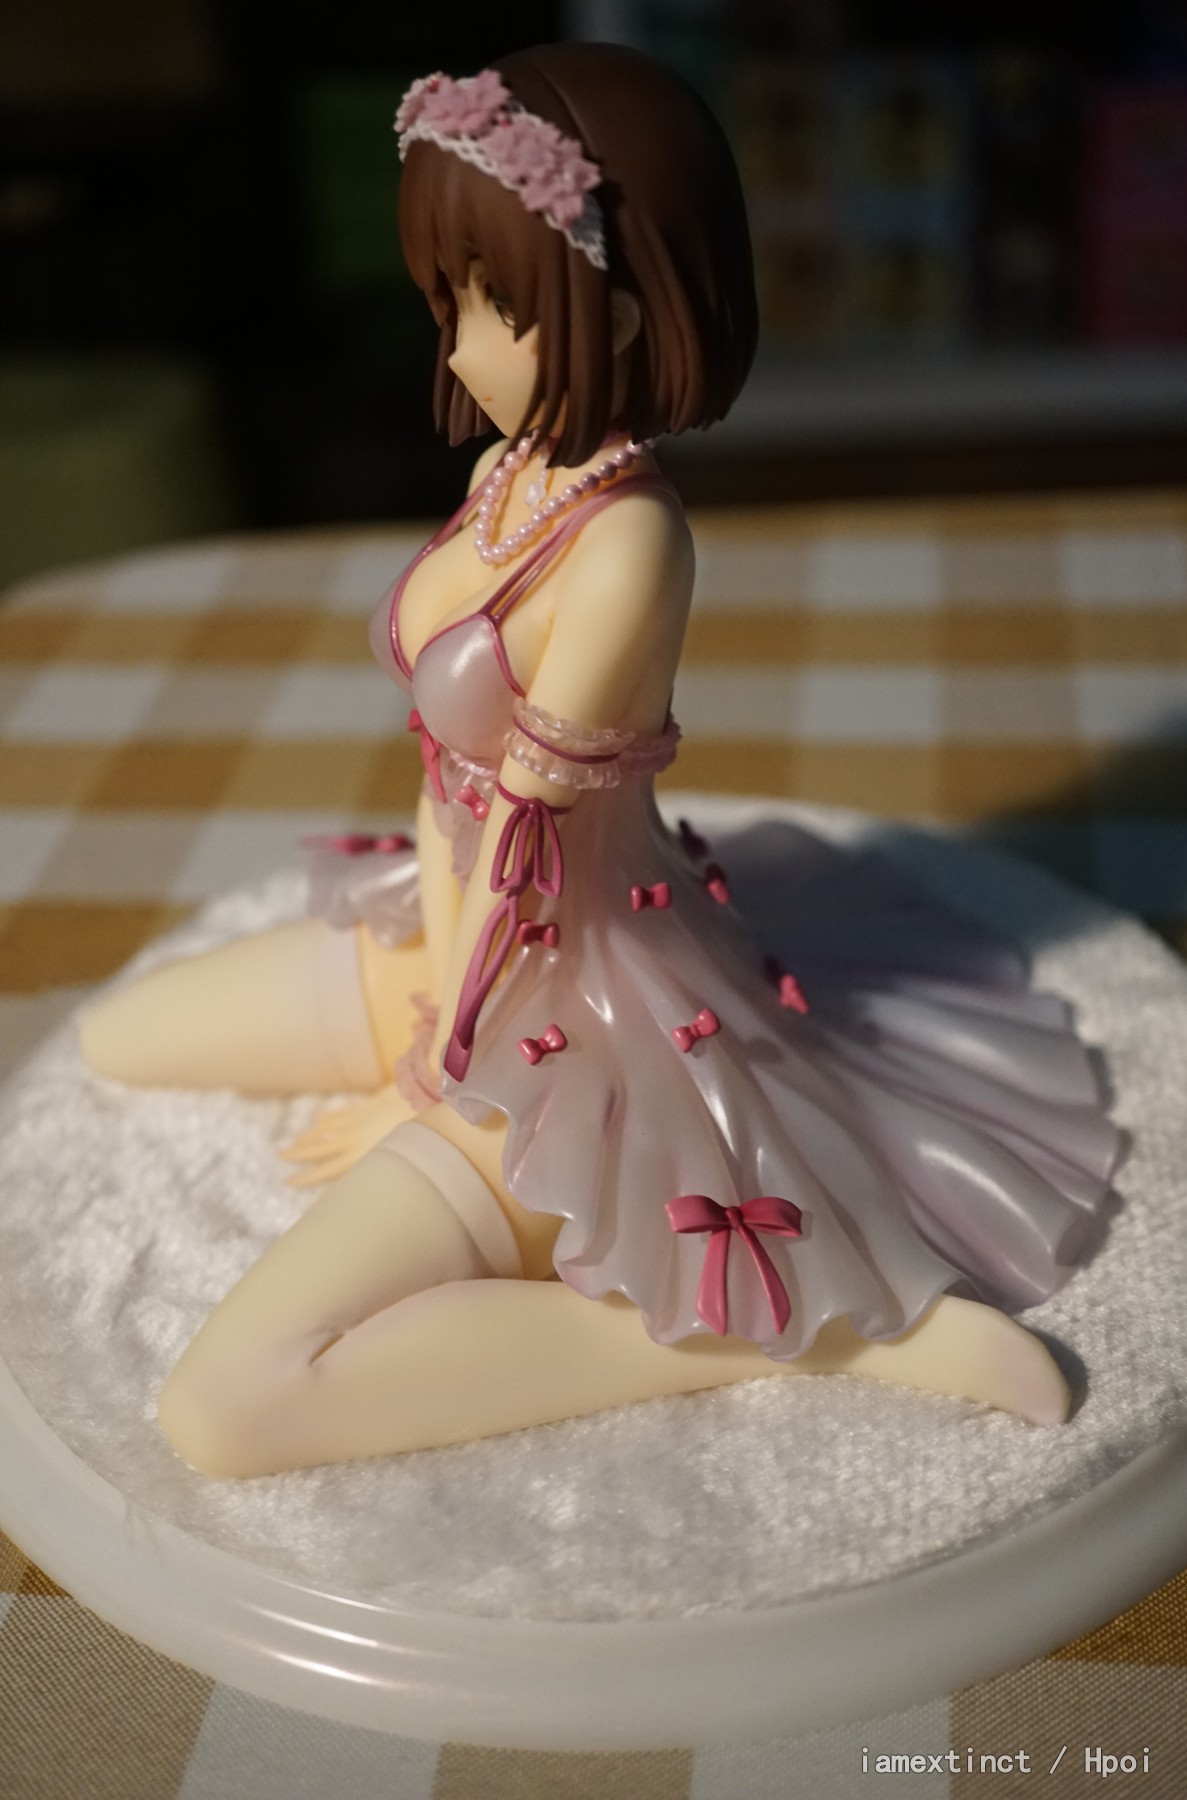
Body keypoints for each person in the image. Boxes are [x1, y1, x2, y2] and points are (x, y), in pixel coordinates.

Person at [79, 44, 1119, 1478]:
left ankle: (762, 1331)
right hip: (446, 938)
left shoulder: (630, 545)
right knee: (115, 1036)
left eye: (493, 304)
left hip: (565, 1013)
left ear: (619, 309)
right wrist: (419, 995)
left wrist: (434, 1076)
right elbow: (448, 781)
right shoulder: (504, 472)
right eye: (448, 298)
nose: (456, 347)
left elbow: (535, 852)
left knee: (228, 1408)